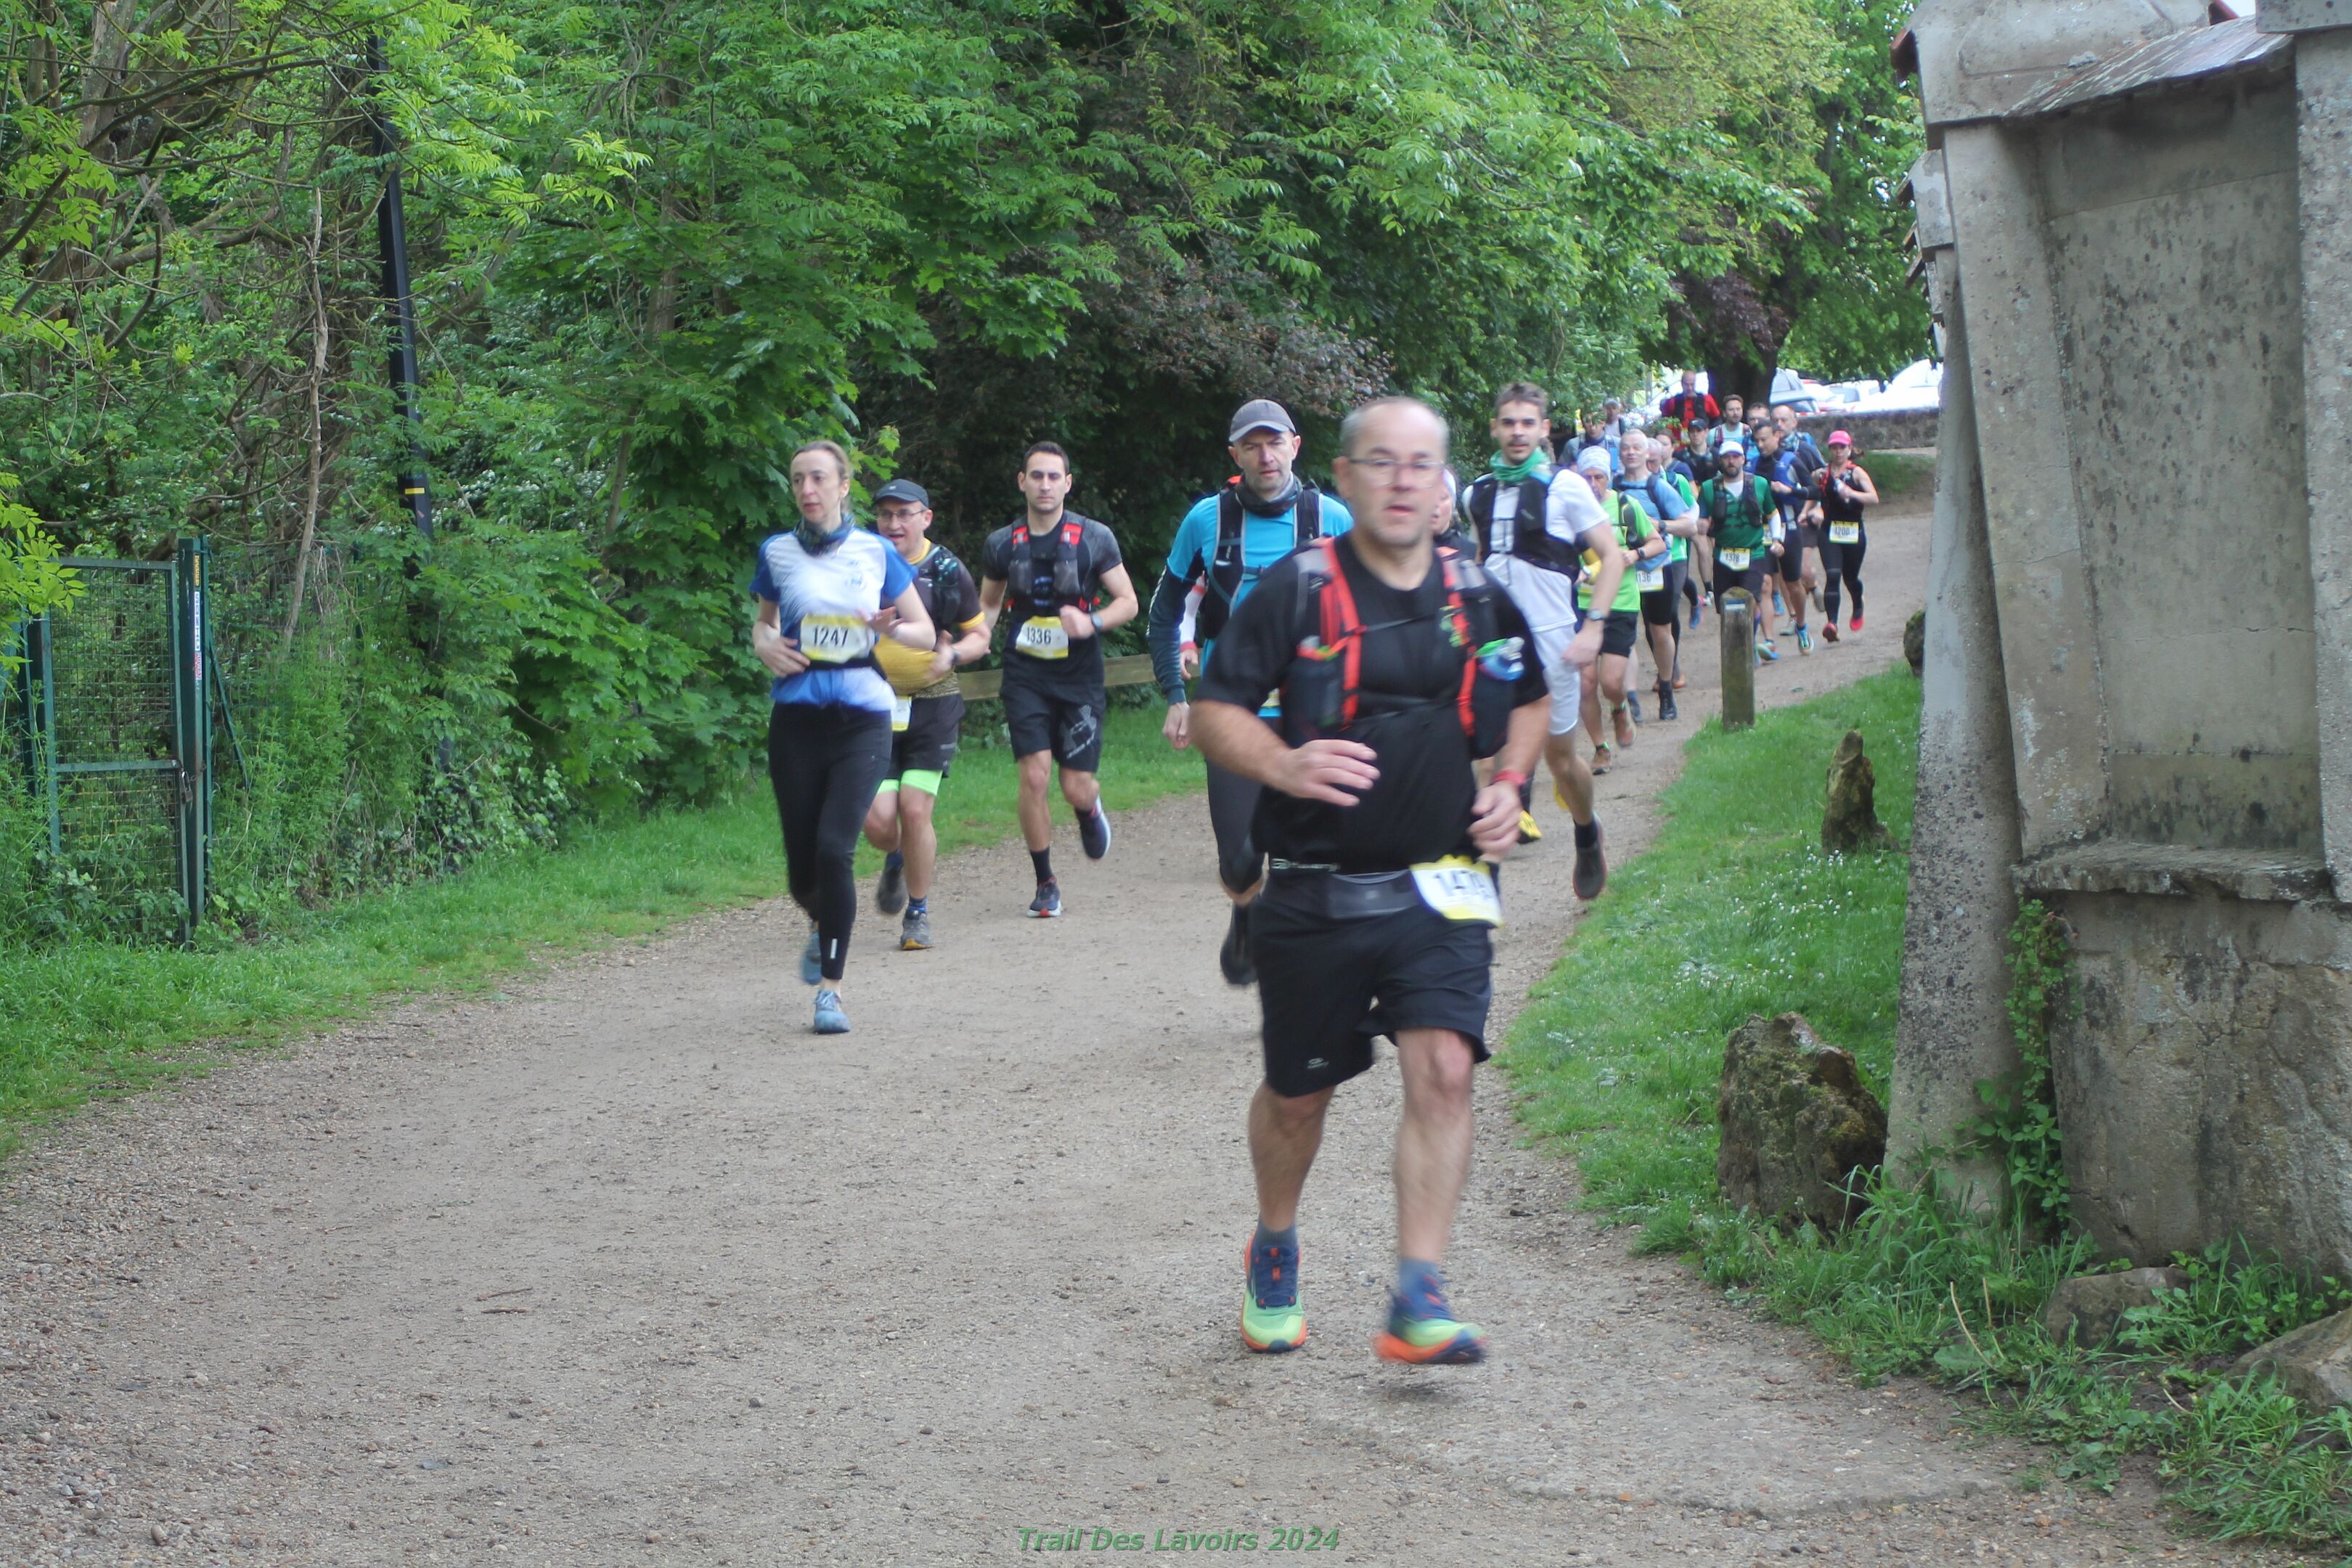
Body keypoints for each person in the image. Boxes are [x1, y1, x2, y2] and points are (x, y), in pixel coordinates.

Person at [1190, 395, 1554, 1366]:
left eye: (1421, 463)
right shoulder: (1297, 590)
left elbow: (1529, 698)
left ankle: (1417, 1293)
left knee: (1444, 1068)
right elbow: (1216, 710)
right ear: (1346, 479)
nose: (1403, 480)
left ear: (1443, 485)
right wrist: (1283, 763)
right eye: (1382, 462)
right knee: (1297, 1098)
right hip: (1316, 891)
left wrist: (1509, 784)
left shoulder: (1474, 592)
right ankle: (1274, 1245)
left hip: (1443, 886)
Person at [1148, 399, 1352, 984]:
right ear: (1234, 454)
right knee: (1238, 861)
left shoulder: (1333, 519)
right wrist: (1175, 695)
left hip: (1313, 711)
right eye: (1252, 446)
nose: (1266, 456)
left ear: (1295, 446)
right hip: (1232, 711)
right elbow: (1165, 612)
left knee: (1309, 855)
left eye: (1275, 443)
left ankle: (1298, 968)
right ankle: (1245, 910)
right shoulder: (1205, 521)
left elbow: (1370, 607)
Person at [750, 441, 937, 1034]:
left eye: (818, 478)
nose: (807, 490)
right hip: (797, 720)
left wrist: (891, 628)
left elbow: (925, 631)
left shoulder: (875, 551)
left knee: (836, 849)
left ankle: (830, 992)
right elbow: (764, 624)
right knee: (802, 873)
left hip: (863, 717)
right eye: (798, 480)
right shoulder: (777, 552)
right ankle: (819, 918)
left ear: (843, 485)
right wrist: (764, 646)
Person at [1462, 383, 1622, 896]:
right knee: (1488, 757)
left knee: (1559, 761)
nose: (1517, 432)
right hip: (1496, 646)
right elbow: (1480, 563)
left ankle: (1586, 831)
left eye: (1527, 423)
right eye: (1508, 422)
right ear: (1494, 427)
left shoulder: (1566, 487)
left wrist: (1593, 627)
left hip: (1554, 643)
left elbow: (1612, 557)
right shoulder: (1476, 493)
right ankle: (1482, 875)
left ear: (1544, 430)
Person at [979, 442, 1141, 918]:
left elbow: (1128, 602)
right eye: (1037, 476)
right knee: (1034, 775)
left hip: (1079, 674)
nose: (1045, 485)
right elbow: (989, 604)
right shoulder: (1002, 544)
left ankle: (1088, 808)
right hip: (1025, 673)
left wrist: (1091, 623)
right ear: (1022, 482)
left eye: (1054, 477)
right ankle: (1045, 881)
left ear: (1068, 484)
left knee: (1075, 786)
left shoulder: (1095, 538)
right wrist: (977, 638)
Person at [861, 479, 989, 950]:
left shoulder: (946, 569)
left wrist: (952, 655)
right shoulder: (861, 563)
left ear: (926, 518)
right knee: (879, 822)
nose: (893, 523)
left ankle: (917, 912)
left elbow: (979, 637)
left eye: (904, 514)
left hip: (933, 702)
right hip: (872, 704)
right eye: (885, 514)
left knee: (915, 809)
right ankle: (896, 854)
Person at [1572, 447, 1665, 770]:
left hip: (1621, 601)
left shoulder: (1626, 505)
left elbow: (1658, 542)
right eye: (1587, 477)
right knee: (1585, 684)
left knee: (1611, 682)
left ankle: (1619, 707)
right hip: (1581, 604)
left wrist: (1635, 555)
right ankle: (1601, 748)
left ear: (1609, 477)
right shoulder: (1570, 510)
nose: (1593, 484)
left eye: (1599, 477)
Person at [1615, 436, 1697, 723]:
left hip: (1657, 568)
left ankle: (1666, 687)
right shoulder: (1612, 487)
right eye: (1625, 448)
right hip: (1622, 571)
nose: (1630, 453)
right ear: (1619, 453)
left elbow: (1690, 526)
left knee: (1660, 630)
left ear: (1647, 453)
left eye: (1636, 448)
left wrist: (1660, 525)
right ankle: (1631, 699)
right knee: (1625, 633)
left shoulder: (1657, 486)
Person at [1696, 441, 1783, 663]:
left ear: (1743, 459)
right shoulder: (1708, 488)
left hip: (1753, 553)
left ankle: (1748, 644)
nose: (1731, 461)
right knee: (1728, 606)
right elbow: (1701, 516)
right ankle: (1739, 646)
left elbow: (1772, 514)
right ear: (1720, 461)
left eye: (1736, 457)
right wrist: (1701, 524)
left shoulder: (1760, 484)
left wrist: (1777, 540)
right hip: (1723, 555)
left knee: (1750, 599)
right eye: (1727, 457)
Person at [1813, 430, 1879, 639]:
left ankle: (1858, 603)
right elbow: (1813, 494)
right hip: (1829, 530)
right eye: (1834, 448)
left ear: (1849, 449)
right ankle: (1832, 624)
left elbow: (1874, 498)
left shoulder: (1856, 473)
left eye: (1842, 447)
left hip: (1853, 531)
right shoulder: (1821, 474)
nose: (1838, 452)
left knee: (1850, 577)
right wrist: (1812, 510)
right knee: (1833, 574)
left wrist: (1852, 493)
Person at [1754, 425, 1813, 653]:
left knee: (1793, 584)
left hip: (1789, 529)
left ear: (1777, 436)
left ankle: (1801, 625)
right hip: (1761, 531)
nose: (1760, 445)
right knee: (1764, 584)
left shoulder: (1791, 461)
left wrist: (1790, 491)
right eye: (1757, 441)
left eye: (1764, 440)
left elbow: (1814, 491)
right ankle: (1769, 641)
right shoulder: (1752, 465)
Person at [1659, 371, 1719, 446]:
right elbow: (1665, 421)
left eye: (1692, 384)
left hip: (1702, 443)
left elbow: (1717, 420)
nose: (1689, 388)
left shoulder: (1707, 399)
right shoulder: (1673, 402)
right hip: (1680, 445)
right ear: (1682, 384)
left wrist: (1709, 434)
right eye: (1686, 385)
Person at [1704, 394, 1755, 463]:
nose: (1736, 413)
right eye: (1731, 410)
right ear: (1724, 413)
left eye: (1738, 409)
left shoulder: (1748, 431)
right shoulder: (1714, 434)